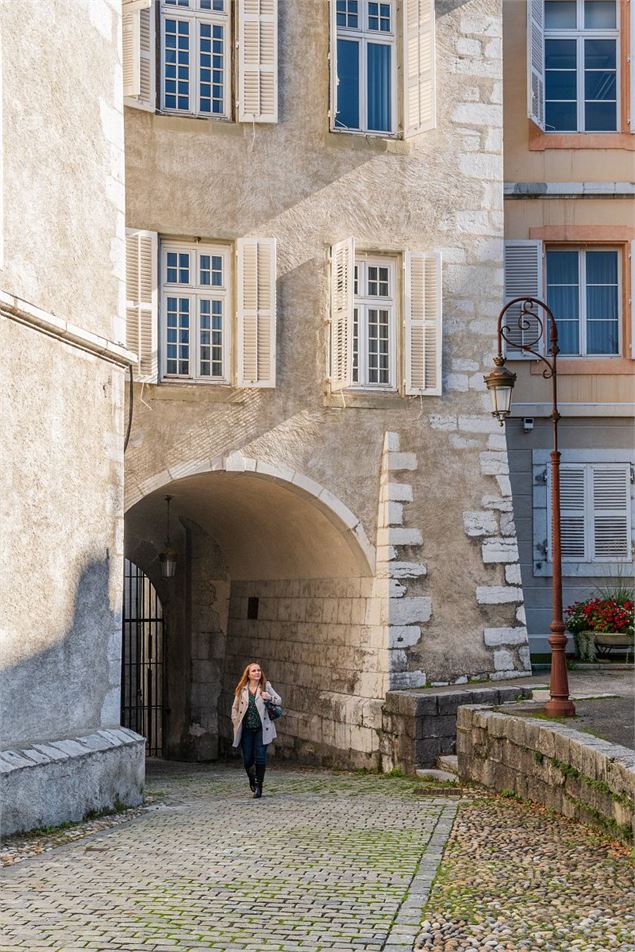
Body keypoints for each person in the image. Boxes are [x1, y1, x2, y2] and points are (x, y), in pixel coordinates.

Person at [231, 662, 281, 799]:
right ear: (248, 674)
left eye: (259, 670)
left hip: (262, 728)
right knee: (247, 759)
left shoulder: (266, 686)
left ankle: (259, 786)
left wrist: (268, 697)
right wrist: (235, 721)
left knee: (260, 757)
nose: (257, 673)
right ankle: (252, 779)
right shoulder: (242, 689)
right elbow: (235, 707)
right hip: (246, 728)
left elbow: (279, 700)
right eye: (254, 671)